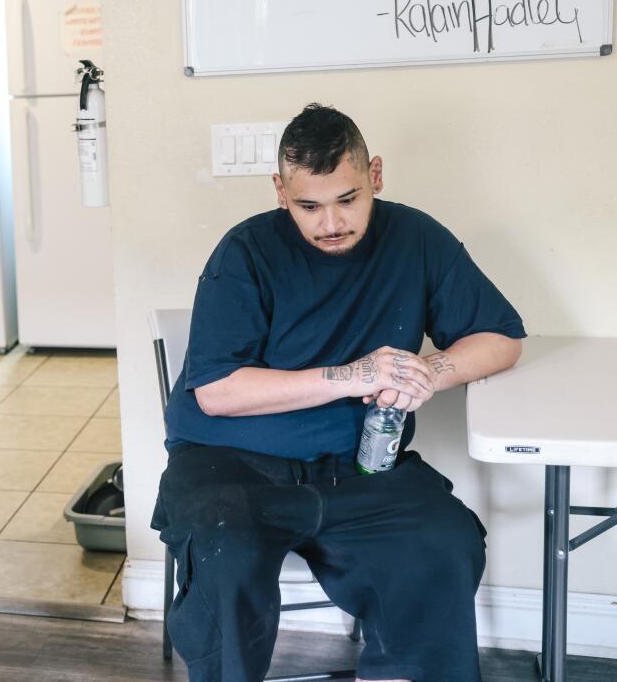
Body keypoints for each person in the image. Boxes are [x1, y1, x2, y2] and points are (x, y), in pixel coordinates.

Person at [153, 104, 525, 682]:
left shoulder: (417, 238)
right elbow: (218, 394)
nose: (331, 223)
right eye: (309, 206)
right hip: (229, 468)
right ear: (280, 191)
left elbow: (501, 339)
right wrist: (358, 374)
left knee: (444, 543)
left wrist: (428, 371)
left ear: (375, 174)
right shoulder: (244, 253)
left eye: (348, 199)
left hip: (361, 471)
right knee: (226, 556)